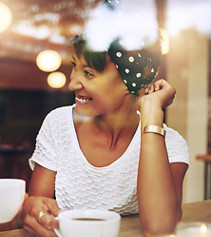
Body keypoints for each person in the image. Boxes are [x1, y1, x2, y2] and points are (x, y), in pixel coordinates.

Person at [21, 3, 189, 237]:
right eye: (75, 68)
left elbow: (159, 229)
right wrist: (31, 210)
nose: (72, 83)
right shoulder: (59, 124)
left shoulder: (170, 144)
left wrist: (151, 111)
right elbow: (38, 206)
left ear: (128, 83)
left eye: (88, 73)